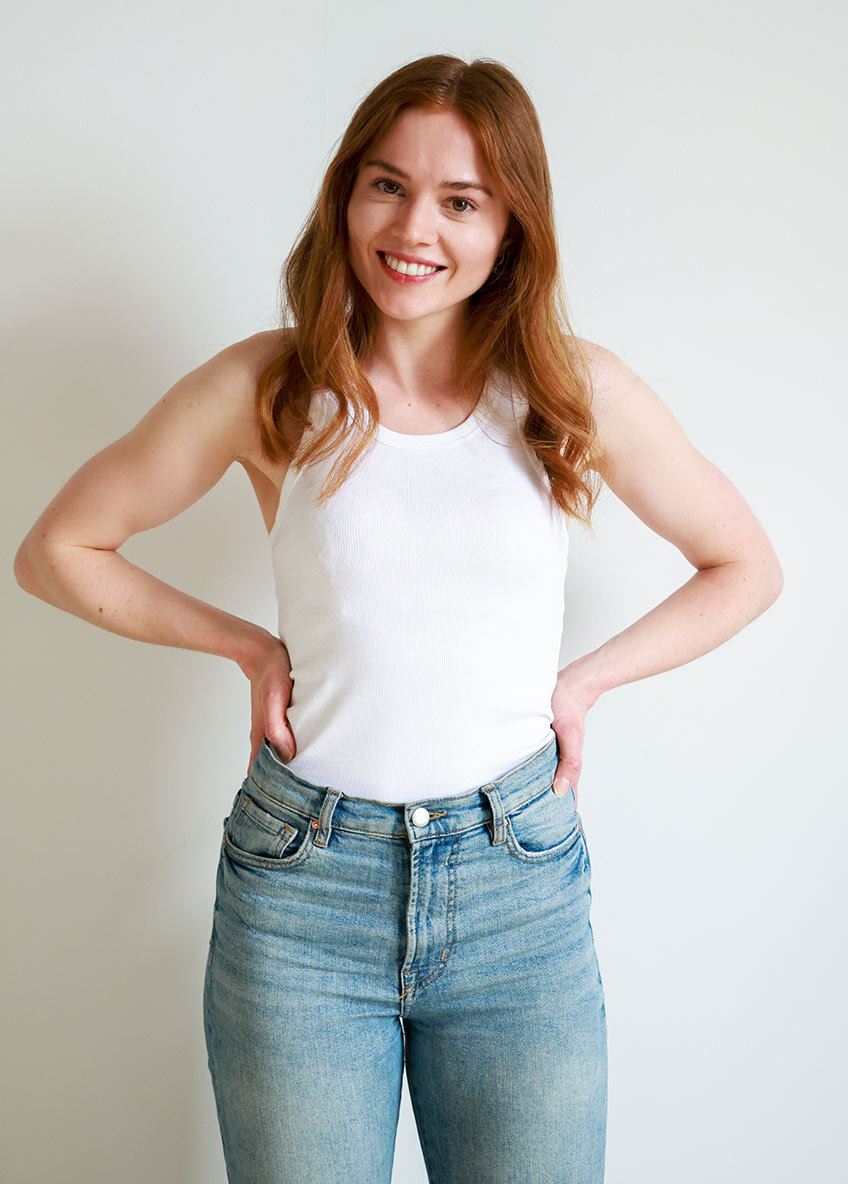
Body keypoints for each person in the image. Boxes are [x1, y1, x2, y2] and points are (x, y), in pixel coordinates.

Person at [14, 53, 783, 1184]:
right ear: (346, 195)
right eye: (388, 185)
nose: (414, 227)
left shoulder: (570, 392)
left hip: (516, 886)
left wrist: (582, 682)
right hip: (303, 891)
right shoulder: (271, 389)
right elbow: (57, 550)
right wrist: (245, 645)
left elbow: (743, 566)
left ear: (511, 228)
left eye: (460, 201)